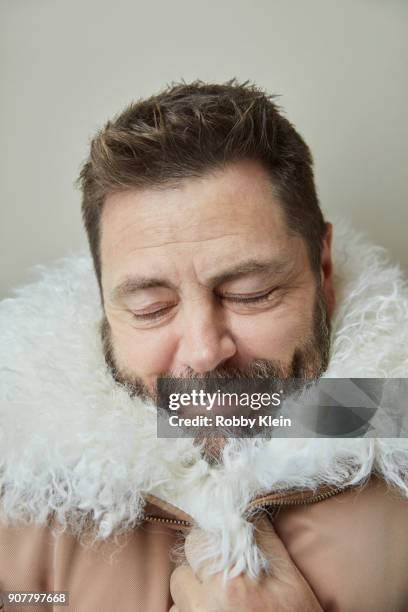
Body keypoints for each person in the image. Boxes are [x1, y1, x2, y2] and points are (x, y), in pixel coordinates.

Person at [0, 80, 407, 611]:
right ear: (102, 304)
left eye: (249, 293)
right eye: (152, 307)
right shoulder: (17, 500)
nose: (203, 351)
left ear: (323, 268)